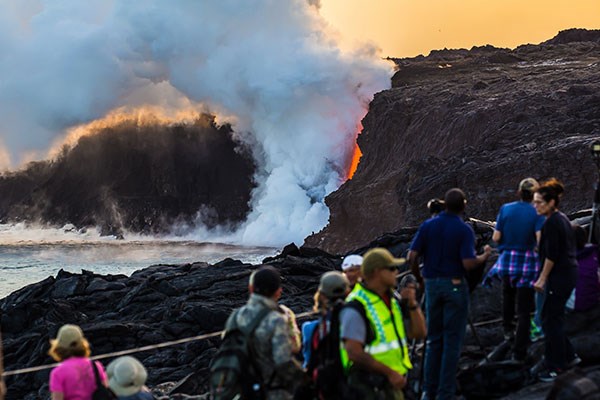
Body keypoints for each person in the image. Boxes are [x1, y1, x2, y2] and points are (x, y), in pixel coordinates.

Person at [408, 188, 491, 400]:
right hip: (454, 286)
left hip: (432, 287)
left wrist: (420, 279)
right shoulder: (463, 230)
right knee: (452, 341)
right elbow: (468, 263)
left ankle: (428, 391)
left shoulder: (428, 226)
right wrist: (484, 257)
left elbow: (412, 256)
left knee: (433, 339)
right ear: (463, 206)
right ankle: (445, 393)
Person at [340, 248, 426, 400]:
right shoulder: (356, 305)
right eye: (391, 268)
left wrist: (412, 305)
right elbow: (353, 352)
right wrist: (389, 373)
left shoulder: (392, 302)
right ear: (377, 272)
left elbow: (418, 333)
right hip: (367, 387)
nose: (396, 272)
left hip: (392, 383)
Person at [485, 177, 545, 361]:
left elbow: (496, 238)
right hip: (527, 262)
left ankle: (507, 331)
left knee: (508, 295)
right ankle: (520, 350)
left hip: (507, 261)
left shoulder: (506, 209)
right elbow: (540, 240)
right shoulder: (538, 213)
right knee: (525, 308)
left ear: (519, 192)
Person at [227, 266, 304, 399]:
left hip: (241, 390)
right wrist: (306, 381)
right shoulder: (277, 319)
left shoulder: (236, 316)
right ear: (278, 292)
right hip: (271, 392)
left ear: (251, 289)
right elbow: (283, 361)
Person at [533, 179, 580, 382]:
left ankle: (556, 366)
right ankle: (570, 356)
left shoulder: (552, 223)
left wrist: (542, 279)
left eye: (539, 202)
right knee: (555, 317)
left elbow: (552, 255)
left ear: (551, 202)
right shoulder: (561, 219)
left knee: (550, 320)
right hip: (568, 273)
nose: (536, 206)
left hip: (559, 276)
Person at [301, 271, 351, 399]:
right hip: (354, 383)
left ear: (321, 295)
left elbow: (309, 360)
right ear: (348, 292)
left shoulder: (312, 328)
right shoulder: (358, 319)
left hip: (327, 386)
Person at [48, 324, 109, 400]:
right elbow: (105, 391)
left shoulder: (58, 373)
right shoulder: (96, 366)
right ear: (82, 343)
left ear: (59, 345)